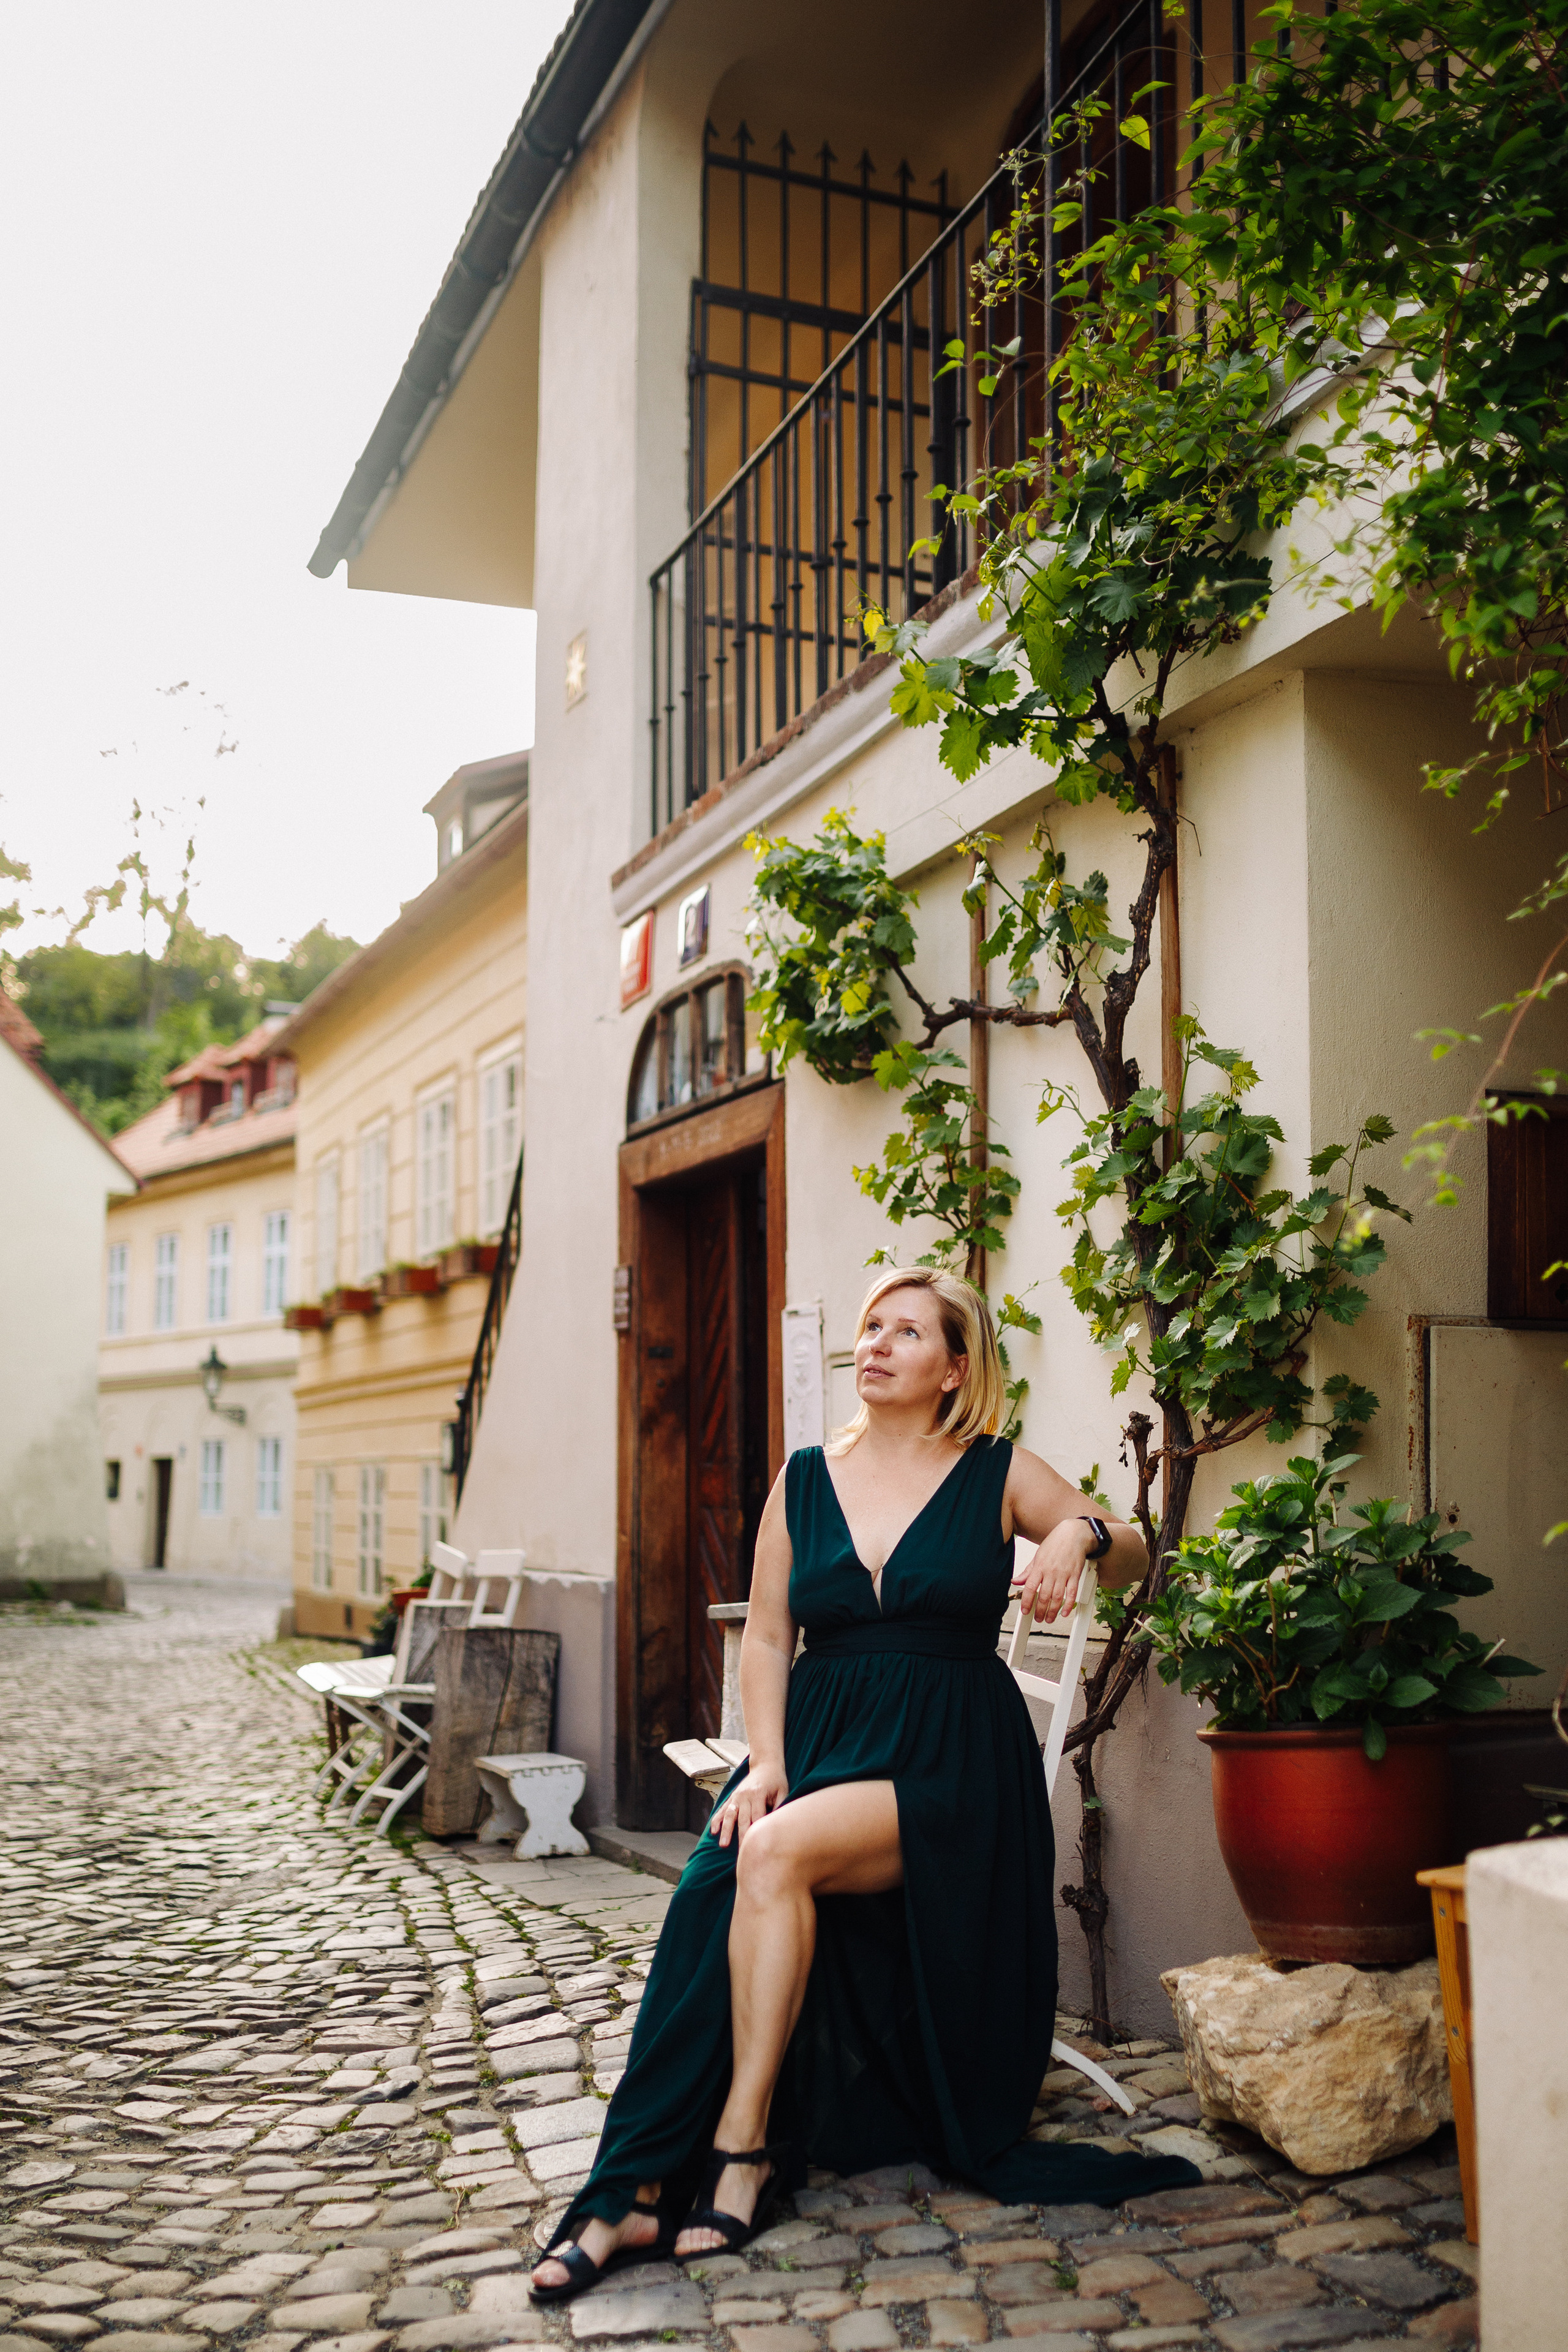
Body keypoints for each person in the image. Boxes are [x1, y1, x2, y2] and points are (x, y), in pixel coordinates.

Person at [530, 1266, 1200, 2302]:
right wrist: (767, 1764)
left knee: (771, 1851)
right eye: (870, 1328)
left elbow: (1139, 1546)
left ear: (955, 1368)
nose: (877, 1345)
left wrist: (1077, 1529)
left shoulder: (995, 1470)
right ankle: (635, 2185)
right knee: (721, 1874)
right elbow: (766, 1636)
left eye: (907, 1331)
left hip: (952, 1770)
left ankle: (741, 2148)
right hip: (825, 1747)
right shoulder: (803, 1478)